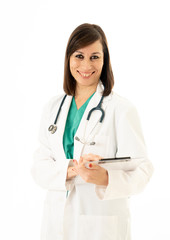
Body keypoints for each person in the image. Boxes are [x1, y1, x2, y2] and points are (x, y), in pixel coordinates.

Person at [31, 23, 154, 240]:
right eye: (79, 56)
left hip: (100, 226)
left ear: (105, 60)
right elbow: (39, 166)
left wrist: (105, 177)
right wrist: (71, 169)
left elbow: (142, 170)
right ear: (68, 58)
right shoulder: (53, 108)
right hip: (55, 221)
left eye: (95, 57)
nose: (86, 65)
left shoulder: (121, 109)